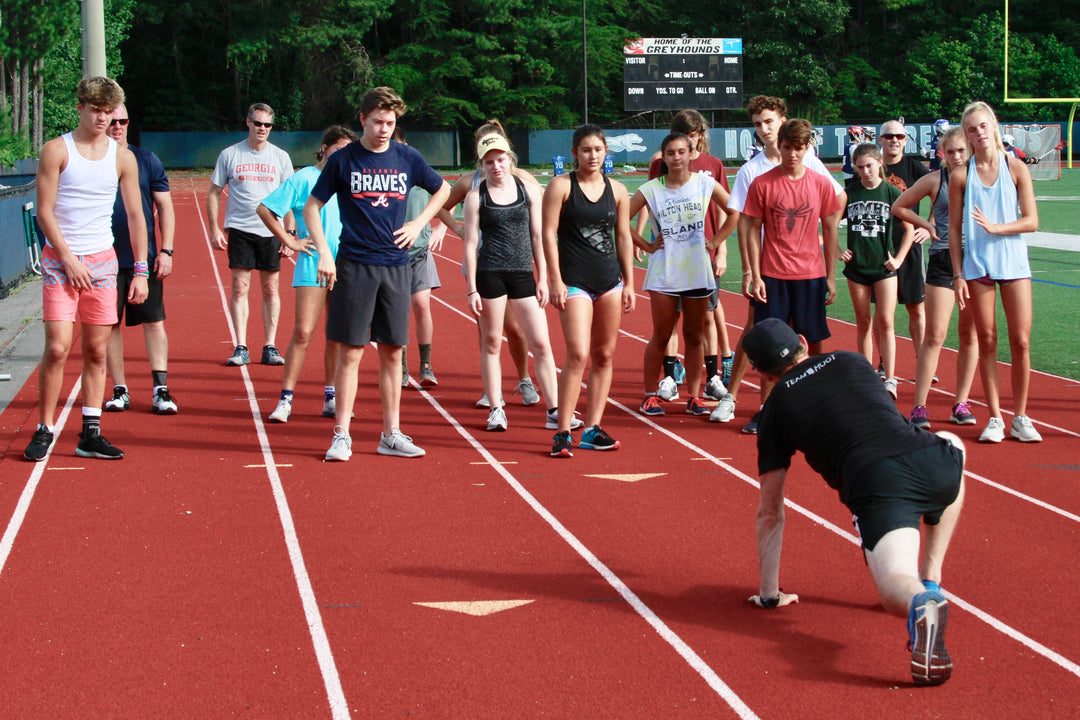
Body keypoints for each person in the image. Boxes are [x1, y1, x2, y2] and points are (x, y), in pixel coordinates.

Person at [744, 317, 964, 687]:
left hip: (878, 484)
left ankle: (917, 599)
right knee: (953, 445)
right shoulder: (851, 359)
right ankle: (932, 580)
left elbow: (771, 511)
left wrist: (769, 595)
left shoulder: (776, 408)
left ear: (761, 374)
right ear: (802, 340)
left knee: (895, 585)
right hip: (934, 463)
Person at [305, 86, 450, 460]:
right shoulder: (344, 160)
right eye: (377, 122)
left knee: (392, 352)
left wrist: (419, 222)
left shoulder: (407, 157)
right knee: (351, 352)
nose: (384, 129)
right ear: (362, 119)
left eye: (390, 123)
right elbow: (312, 206)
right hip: (354, 265)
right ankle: (341, 435)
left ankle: (391, 434)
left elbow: (443, 188)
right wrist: (324, 251)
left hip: (397, 266)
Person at [24, 76, 147, 462]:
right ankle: (44, 427)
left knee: (96, 350)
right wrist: (68, 258)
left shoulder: (122, 157)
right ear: (79, 107)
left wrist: (140, 269)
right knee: (58, 347)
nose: (103, 118)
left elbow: (135, 215)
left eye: (108, 112)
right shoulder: (56, 150)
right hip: (62, 262)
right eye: (96, 110)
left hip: (102, 263)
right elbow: (44, 212)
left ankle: (90, 432)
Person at [712, 96, 844, 432]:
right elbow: (748, 226)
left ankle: (815, 403)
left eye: (798, 147)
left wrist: (831, 276)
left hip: (811, 275)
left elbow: (830, 227)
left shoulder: (818, 178)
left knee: (813, 339)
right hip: (772, 275)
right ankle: (765, 408)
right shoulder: (758, 178)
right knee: (770, 343)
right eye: (787, 146)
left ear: (805, 147)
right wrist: (752, 273)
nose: (792, 153)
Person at [949, 101, 1041, 443]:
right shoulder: (961, 175)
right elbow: (955, 231)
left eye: (983, 126)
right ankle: (996, 418)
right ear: (968, 136)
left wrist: (996, 228)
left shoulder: (1015, 167)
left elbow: (1032, 220)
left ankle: (1021, 416)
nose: (979, 133)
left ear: (994, 127)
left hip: (1014, 264)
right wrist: (958, 274)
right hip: (978, 268)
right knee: (987, 341)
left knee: (1021, 340)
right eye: (972, 129)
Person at [463, 134, 567, 433]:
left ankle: (555, 410)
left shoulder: (528, 191)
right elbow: (470, 245)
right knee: (492, 341)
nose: (496, 166)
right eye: (489, 161)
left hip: (523, 273)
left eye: (500, 159)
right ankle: (496, 408)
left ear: (510, 159)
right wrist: (471, 288)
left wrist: (543, 278)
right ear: (482, 165)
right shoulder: (475, 197)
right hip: (490, 274)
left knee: (541, 343)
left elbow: (538, 236)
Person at [542, 124, 635, 457]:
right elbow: (548, 235)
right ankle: (564, 431)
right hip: (575, 281)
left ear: (606, 151)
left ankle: (593, 428)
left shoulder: (619, 190)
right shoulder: (561, 186)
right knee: (578, 353)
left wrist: (629, 283)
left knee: (605, 355)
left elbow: (623, 237)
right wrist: (554, 279)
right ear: (575, 153)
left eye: (598, 149)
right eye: (586, 150)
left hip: (610, 281)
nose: (592, 155)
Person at [629, 132, 736, 418]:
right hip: (665, 272)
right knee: (662, 335)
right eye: (670, 153)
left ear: (691, 153)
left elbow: (735, 211)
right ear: (663, 157)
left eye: (681, 152)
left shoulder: (704, 183)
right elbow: (618, 218)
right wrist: (646, 245)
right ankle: (650, 396)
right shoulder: (652, 188)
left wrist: (715, 243)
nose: (676, 158)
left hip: (697, 271)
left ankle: (694, 396)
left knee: (694, 334)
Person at [438, 120, 540, 408]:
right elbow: (443, 207)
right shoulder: (468, 183)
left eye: (498, 149)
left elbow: (539, 214)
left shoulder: (520, 177)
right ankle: (491, 390)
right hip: (481, 262)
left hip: (513, 261)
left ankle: (524, 379)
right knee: (486, 331)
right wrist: (458, 230)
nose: (493, 161)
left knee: (514, 327)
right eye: (486, 152)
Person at [260, 125, 358, 423]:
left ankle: (331, 397)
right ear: (325, 147)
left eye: (348, 150)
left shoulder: (351, 180)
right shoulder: (305, 178)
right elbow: (266, 209)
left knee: (337, 336)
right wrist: (289, 240)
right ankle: (286, 399)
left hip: (348, 265)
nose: (343, 154)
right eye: (338, 148)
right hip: (313, 264)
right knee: (303, 332)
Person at [893, 127, 979, 429]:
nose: (956, 157)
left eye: (961, 151)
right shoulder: (935, 179)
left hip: (977, 260)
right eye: (950, 151)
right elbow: (899, 206)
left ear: (970, 150)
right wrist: (927, 226)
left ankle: (961, 402)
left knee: (970, 335)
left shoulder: (982, 179)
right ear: (942, 152)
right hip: (944, 259)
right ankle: (919, 407)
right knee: (935, 335)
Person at [103, 103, 178, 416]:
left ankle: (161, 390)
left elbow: (166, 207)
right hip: (102, 259)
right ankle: (119, 390)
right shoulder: (90, 160)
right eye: (112, 120)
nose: (117, 126)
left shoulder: (146, 160)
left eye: (122, 121)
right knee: (107, 326)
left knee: (154, 322)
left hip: (142, 259)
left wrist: (166, 251)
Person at [207, 102, 295, 367]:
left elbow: (290, 198)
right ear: (248, 122)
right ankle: (241, 346)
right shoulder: (230, 155)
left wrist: (289, 234)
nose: (262, 129)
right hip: (241, 229)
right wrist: (214, 227)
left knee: (270, 289)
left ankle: (270, 346)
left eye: (267, 125)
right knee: (240, 288)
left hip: (271, 231)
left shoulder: (280, 157)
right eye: (258, 123)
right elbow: (214, 192)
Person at [841, 142, 914, 399]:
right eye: (860, 167)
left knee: (886, 321)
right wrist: (839, 250)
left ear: (879, 163)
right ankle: (865, 376)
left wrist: (899, 258)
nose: (865, 171)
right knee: (863, 322)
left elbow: (909, 229)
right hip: (857, 267)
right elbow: (827, 225)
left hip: (884, 267)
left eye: (869, 165)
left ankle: (890, 378)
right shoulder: (849, 193)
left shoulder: (892, 193)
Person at [878, 119, 930, 370]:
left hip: (909, 247)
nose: (894, 141)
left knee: (916, 307)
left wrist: (928, 226)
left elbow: (941, 193)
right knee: (883, 313)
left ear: (905, 140)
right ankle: (883, 362)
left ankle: (923, 360)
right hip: (879, 247)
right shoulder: (872, 167)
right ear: (881, 140)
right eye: (889, 136)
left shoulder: (916, 168)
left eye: (899, 136)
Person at [398, 129, 447, 389]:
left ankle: (426, 365)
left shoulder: (419, 171)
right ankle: (401, 365)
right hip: (393, 253)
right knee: (397, 310)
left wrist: (441, 227)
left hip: (419, 252)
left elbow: (445, 195)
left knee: (421, 305)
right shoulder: (383, 175)